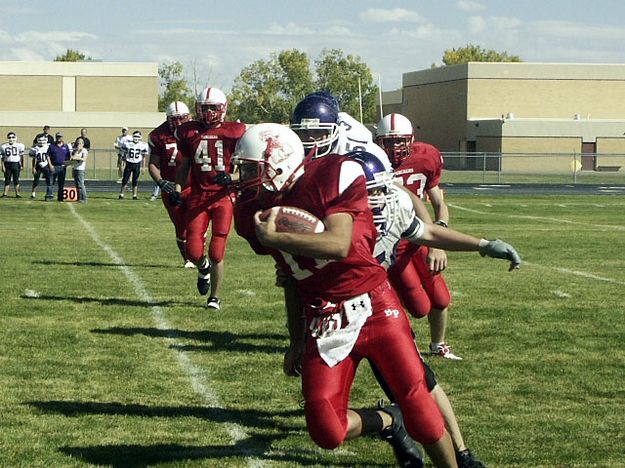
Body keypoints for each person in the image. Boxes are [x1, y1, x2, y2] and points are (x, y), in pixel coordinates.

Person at [233, 123, 458, 467]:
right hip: (324, 317)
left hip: (375, 305)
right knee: (326, 430)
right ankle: (388, 422)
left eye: (250, 168)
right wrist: (296, 340)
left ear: (277, 160)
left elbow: (338, 244)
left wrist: (277, 239)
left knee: (425, 419)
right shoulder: (254, 212)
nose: (242, 177)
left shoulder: (333, 175)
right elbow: (293, 277)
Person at [349, 150, 521, 467]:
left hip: (377, 311)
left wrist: (483, 245)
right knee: (325, 421)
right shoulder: (327, 213)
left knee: (421, 384)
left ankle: (459, 451)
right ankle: (394, 421)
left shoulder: (393, 205)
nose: (376, 198)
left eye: (379, 190)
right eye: (367, 191)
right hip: (336, 317)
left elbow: (424, 226)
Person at [376, 113, 460, 360]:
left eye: (400, 141)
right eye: (388, 142)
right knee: (418, 306)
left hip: (421, 237)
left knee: (441, 299)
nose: (394, 147)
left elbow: (439, 202)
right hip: (392, 241)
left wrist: (439, 237)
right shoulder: (371, 161)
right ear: (378, 142)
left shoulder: (426, 156)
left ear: (411, 139)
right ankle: (404, 343)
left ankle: (439, 345)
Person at [172, 87, 246, 310]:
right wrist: (177, 188)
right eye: (204, 108)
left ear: (222, 108)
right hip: (198, 194)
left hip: (223, 196)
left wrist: (232, 177)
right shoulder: (188, 132)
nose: (208, 112)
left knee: (216, 250)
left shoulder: (236, 131)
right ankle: (202, 269)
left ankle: (214, 296)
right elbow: (184, 165)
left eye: (213, 107)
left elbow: (248, 167)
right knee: (193, 251)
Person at [290, 91, 392, 169]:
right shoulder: (288, 151)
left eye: (317, 131)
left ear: (334, 130)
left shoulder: (355, 151)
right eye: (303, 132)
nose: (310, 138)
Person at [148, 101, 194, 268]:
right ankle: (187, 259)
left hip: (193, 186)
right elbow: (153, 164)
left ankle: (198, 257)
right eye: (175, 119)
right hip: (171, 188)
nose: (179, 123)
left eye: (182, 118)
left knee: (196, 225)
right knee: (181, 228)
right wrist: (161, 182)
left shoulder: (195, 131)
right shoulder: (158, 135)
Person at [119, 131, 149, 200]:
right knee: (125, 179)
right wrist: (122, 163)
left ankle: (134, 195)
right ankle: (121, 194)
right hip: (129, 163)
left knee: (135, 181)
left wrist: (143, 167)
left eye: (138, 137)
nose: (136, 138)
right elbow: (124, 154)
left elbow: (143, 156)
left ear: (140, 137)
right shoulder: (128, 143)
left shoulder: (143, 145)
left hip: (137, 164)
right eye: (135, 136)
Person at [47, 132, 71, 202]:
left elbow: (68, 157)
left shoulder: (65, 146)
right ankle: (49, 196)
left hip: (62, 167)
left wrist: (66, 165)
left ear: (62, 137)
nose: (59, 138)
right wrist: (50, 165)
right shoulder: (52, 146)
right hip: (53, 166)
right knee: (51, 183)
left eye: (60, 137)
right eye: (57, 137)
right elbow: (48, 156)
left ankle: (60, 197)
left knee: (61, 183)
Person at [29, 135, 53, 200]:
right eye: (40, 140)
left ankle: (48, 194)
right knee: (36, 180)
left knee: (48, 181)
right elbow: (34, 159)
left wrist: (51, 165)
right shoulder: (35, 148)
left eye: (43, 140)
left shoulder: (48, 147)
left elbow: (50, 157)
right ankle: (33, 194)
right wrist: (33, 167)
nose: (41, 142)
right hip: (38, 165)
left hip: (46, 164)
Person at [2, 132, 25, 198]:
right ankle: (5, 194)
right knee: (7, 179)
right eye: (9, 137)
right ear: (7, 138)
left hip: (16, 163)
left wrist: (22, 165)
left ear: (15, 138)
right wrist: (2, 165)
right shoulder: (3, 146)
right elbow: (3, 157)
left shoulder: (19, 145)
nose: (11, 139)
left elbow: (21, 156)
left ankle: (18, 194)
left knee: (16, 179)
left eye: (12, 137)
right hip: (7, 163)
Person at [70, 137, 88, 203]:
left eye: (80, 143)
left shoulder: (84, 150)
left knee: (81, 184)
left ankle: (84, 198)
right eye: (77, 143)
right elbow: (72, 158)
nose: (78, 144)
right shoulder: (75, 150)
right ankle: (79, 198)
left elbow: (84, 159)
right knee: (77, 184)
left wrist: (77, 157)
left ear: (83, 144)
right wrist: (77, 151)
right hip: (75, 168)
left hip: (80, 169)